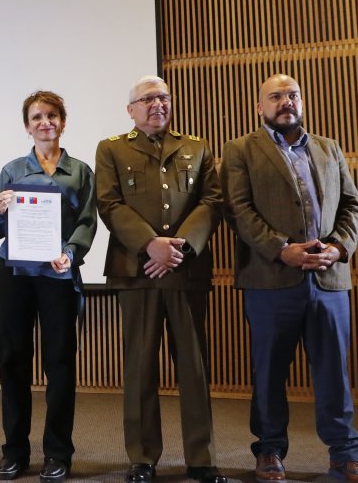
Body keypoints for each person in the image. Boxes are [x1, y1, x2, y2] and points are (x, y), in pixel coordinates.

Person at [221, 74, 358, 483]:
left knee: (334, 372)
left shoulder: (328, 148)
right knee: (269, 371)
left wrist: (339, 248)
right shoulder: (239, 150)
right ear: (259, 107)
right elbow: (239, 210)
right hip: (271, 280)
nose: (285, 101)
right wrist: (281, 248)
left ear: (302, 102)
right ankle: (270, 451)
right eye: (275, 96)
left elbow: (353, 205)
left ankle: (346, 455)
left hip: (329, 278)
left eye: (292, 95)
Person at [95, 76, 225, 483]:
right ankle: (143, 457)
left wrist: (179, 247)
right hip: (137, 273)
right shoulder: (111, 148)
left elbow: (212, 200)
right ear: (131, 109)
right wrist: (150, 245)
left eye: (164, 98)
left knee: (194, 367)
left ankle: (201, 458)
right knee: (139, 367)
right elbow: (109, 202)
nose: (158, 104)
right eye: (148, 99)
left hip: (185, 270)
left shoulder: (196, 146)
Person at [0, 91, 96, 482]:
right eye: (37, 117)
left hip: (58, 277)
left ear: (63, 122)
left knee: (60, 363)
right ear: (27, 125)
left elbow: (87, 222)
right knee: (13, 361)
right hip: (15, 277)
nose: (45, 122)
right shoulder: (12, 169)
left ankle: (57, 453)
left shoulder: (80, 170)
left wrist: (70, 252)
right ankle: (14, 451)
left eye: (52, 115)